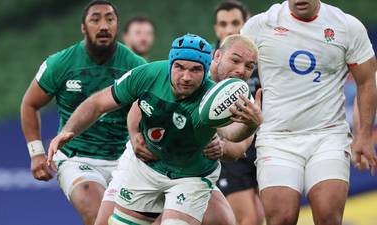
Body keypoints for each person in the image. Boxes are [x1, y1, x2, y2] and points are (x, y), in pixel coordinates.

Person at [46, 34, 262, 225]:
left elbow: (236, 147)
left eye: (249, 66)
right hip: (147, 164)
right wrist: (133, 135)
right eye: (235, 60)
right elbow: (120, 106)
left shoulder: (237, 100)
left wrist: (232, 140)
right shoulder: (151, 74)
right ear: (216, 57)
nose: (241, 71)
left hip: (191, 173)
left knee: (219, 221)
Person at [241, 0, 377, 225]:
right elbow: (233, 71)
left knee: (328, 216)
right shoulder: (260, 25)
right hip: (277, 137)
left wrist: (363, 136)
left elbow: (366, 81)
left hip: (328, 135)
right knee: (281, 218)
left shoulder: (346, 26)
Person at [20, 1, 146, 225]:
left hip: (126, 160)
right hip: (76, 158)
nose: (103, 26)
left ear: (118, 25)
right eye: (95, 19)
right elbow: (29, 104)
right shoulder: (61, 63)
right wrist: (36, 152)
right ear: (83, 27)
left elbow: (151, 113)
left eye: (110, 19)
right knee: (99, 216)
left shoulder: (136, 66)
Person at [214, 1, 264, 224]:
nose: (229, 29)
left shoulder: (263, 57)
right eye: (223, 24)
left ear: (247, 23)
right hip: (229, 146)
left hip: (261, 143)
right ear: (216, 29)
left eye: (235, 22)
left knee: (262, 215)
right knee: (248, 218)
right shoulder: (211, 64)